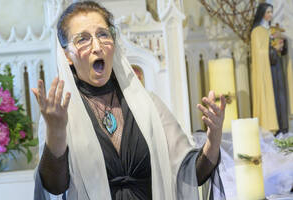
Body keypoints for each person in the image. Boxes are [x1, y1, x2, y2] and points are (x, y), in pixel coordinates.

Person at [32, 1, 226, 200]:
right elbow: (54, 188)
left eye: (103, 35)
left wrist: (214, 138)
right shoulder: (60, 114)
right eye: (83, 39)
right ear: (68, 56)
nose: (97, 47)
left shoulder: (148, 106)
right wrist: (55, 132)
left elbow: (191, 174)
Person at [251, 3, 293, 134]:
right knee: (272, 97)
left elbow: (281, 51)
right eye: (268, 12)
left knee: (281, 97)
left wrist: (282, 45)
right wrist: (272, 48)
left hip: (277, 67)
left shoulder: (272, 30)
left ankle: (283, 127)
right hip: (267, 72)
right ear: (262, 13)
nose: (270, 15)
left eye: (271, 12)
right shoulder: (257, 31)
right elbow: (259, 53)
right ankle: (273, 128)